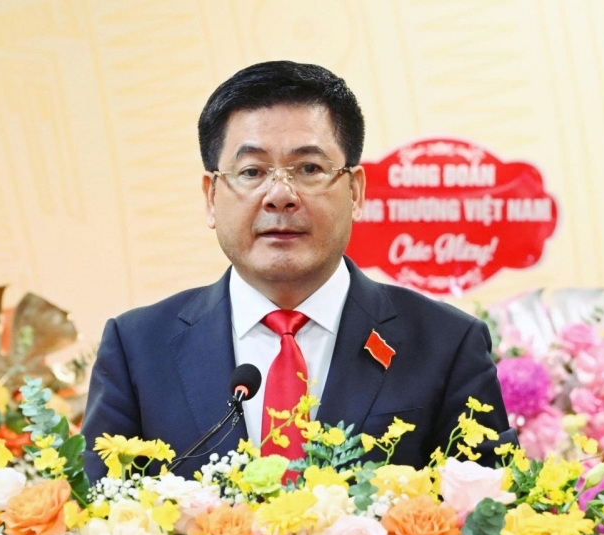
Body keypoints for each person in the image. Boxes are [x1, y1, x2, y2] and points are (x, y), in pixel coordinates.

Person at [81, 61, 515, 481]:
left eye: (309, 169)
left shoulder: (446, 343)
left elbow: (489, 516)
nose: (280, 196)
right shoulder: (138, 348)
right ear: (211, 197)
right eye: (252, 171)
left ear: (356, 192)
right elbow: (99, 516)